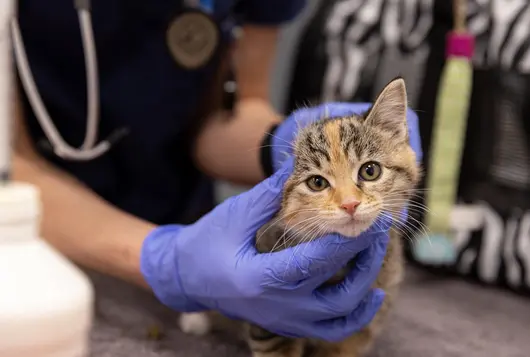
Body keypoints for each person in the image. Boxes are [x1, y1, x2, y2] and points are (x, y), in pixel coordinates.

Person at [11, 0, 422, 342]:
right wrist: (166, 260)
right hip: (23, 252)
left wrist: (275, 142)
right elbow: (7, 167)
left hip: (187, 217)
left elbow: (228, 112)